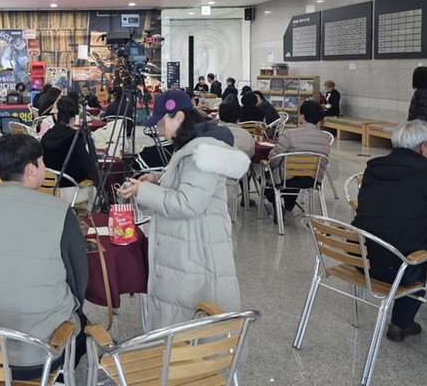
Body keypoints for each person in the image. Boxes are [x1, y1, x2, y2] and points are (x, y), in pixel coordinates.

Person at [0, 134, 88, 378]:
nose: (45, 168)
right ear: (31, 169)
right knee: (81, 326)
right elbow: (78, 283)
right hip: (37, 354)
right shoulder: (60, 213)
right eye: (42, 163)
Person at [118, 90, 249, 328]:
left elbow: (188, 202)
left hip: (195, 251)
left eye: (161, 122)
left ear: (179, 117)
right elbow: (189, 183)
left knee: (190, 319)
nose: (159, 129)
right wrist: (158, 179)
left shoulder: (203, 152)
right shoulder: (195, 146)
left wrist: (143, 191)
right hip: (191, 242)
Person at [352, 120, 427, 342]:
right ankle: (401, 323)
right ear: (423, 147)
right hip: (401, 269)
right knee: (422, 255)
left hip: (362, 260)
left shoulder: (373, 167)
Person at [267, 100, 331, 214]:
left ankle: (278, 206)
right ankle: (290, 202)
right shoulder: (325, 138)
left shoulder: (289, 134)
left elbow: (274, 159)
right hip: (313, 179)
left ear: (303, 115)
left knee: (269, 175)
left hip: (287, 179)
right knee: (296, 172)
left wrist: (269, 165)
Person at [41, 97, 97, 185]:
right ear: (73, 118)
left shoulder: (46, 136)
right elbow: (88, 165)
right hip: (73, 187)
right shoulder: (75, 137)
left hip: (48, 186)